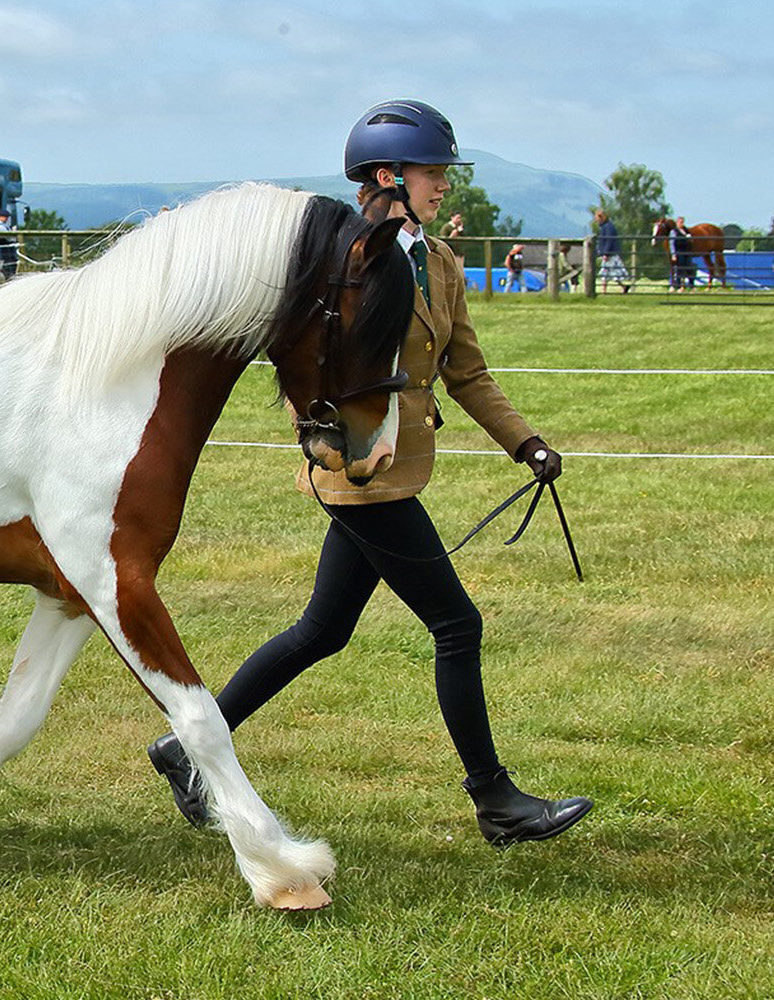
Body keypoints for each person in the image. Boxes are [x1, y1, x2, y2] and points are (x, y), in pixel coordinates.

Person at [147, 98, 591, 849]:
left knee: (322, 631)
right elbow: (311, 366)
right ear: (389, 175)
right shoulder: (346, 261)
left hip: (401, 470)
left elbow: (468, 374)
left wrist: (526, 444)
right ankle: (496, 802)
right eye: (432, 171)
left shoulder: (440, 265)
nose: (444, 183)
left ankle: (183, 752)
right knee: (457, 624)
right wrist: (321, 444)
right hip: (359, 471)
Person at [592, 208, 630, 293]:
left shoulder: (608, 227)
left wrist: (606, 253)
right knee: (606, 273)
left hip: (610, 254)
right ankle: (619, 287)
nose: (595, 219)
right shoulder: (605, 227)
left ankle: (608, 290)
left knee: (613, 273)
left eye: (597, 217)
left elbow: (609, 240)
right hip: (608, 254)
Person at [671, 217, 696, 291]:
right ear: (677, 223)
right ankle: (678, 286)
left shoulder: (686, 231)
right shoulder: (674, 231)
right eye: (679, 222)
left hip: (687, 252)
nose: (681, 224)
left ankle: (691, 285)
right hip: (679, 252)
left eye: (682, 222)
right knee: (680, 269)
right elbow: (672, 243)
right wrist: (673, 254)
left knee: (689, 268)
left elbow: (691, 240)